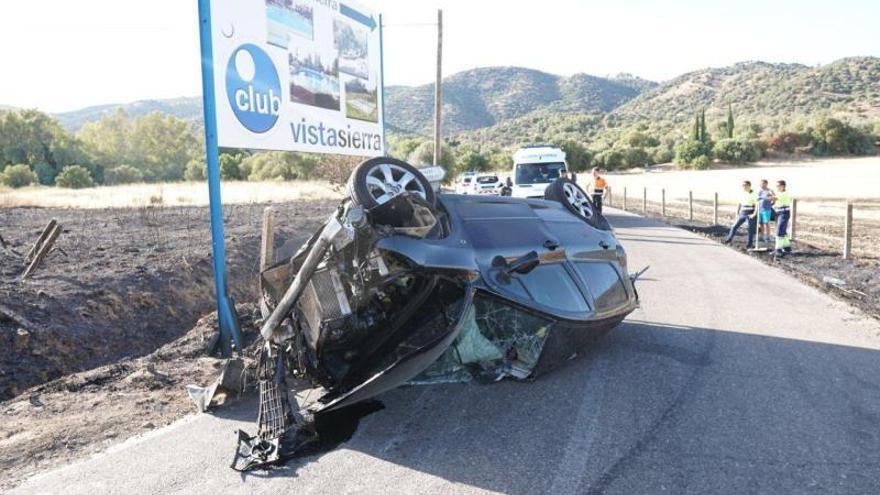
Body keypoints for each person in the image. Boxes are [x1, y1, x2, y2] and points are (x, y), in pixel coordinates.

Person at [723, 180, 757, 247]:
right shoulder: (742, 193)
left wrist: (754, 214)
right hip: (742, 213)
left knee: (750, 229)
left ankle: (749, 244)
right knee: (734, 226)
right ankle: (729, 239)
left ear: (749, 186)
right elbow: (739, 203)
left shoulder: (754, 194)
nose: (743, 187)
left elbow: (757, 205)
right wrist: (737, 212)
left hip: (750, 213)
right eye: (743, 185)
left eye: (745, 185)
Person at [774, 180, 793, 257]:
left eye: (778, 186)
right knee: (783, 230)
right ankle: (787, 247)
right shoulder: (779, 193)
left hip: (784, 213)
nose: (777, 187)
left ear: (783, 186)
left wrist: (762, 197)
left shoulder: (784, 193)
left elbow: (773, 198)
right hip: (779, 212)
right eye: (776, 186)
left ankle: (778, 249)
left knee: (779, 231)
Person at [756, 179, 775, 248]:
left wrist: (771, 204)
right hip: (760, 209)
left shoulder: (770, 191)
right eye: (760, 184)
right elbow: (757, 199)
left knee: (766, 223)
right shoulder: (760, 191)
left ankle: (768, 237)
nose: (761, 185)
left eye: (763, 183)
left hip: (766, 209)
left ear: (766, 184)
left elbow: (774, 198)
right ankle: (761, 236)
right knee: (761, 223)